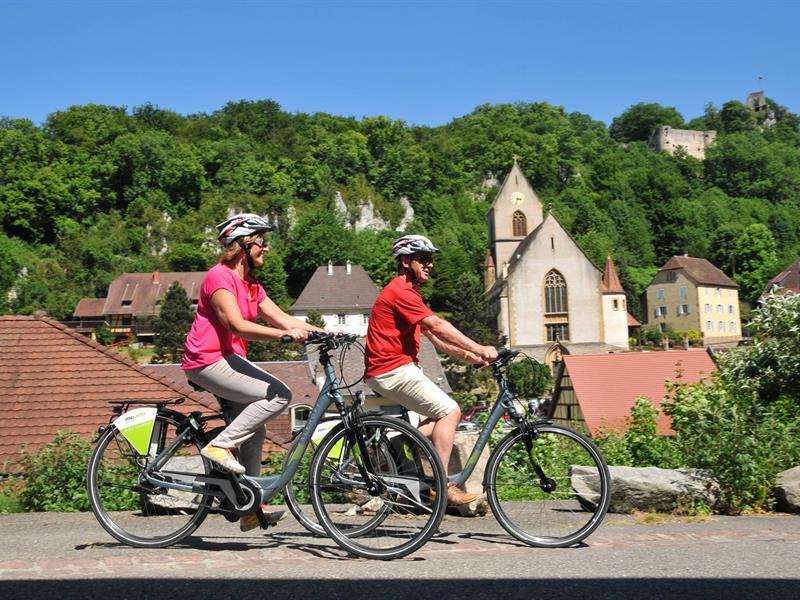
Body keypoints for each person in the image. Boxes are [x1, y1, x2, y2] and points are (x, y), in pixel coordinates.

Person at [181, 213, 324, 531]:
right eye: (261, 241)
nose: (266, 248)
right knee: (279, 395)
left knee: (255, 428)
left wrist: (326, 335)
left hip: (229, 359)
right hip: (206, 361)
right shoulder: (219, 278)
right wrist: (283, 336)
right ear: (243, 245)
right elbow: (237, 325)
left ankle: (248, 505)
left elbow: (284, 318)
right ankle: (220, 446)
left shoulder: (251, 285)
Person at [364, 234, 498, 505]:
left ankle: (400, 442)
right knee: (450, 411)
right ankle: (442, 485)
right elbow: (438, 326)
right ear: (405, 261)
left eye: (431, 260)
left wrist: (472, 357)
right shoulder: (400, 291)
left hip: (392, 370)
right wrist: (480, 346)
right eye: (423, 259)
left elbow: (437, 339)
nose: (430, 265)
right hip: (392, 369)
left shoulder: (409, 294)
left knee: (441, 418)